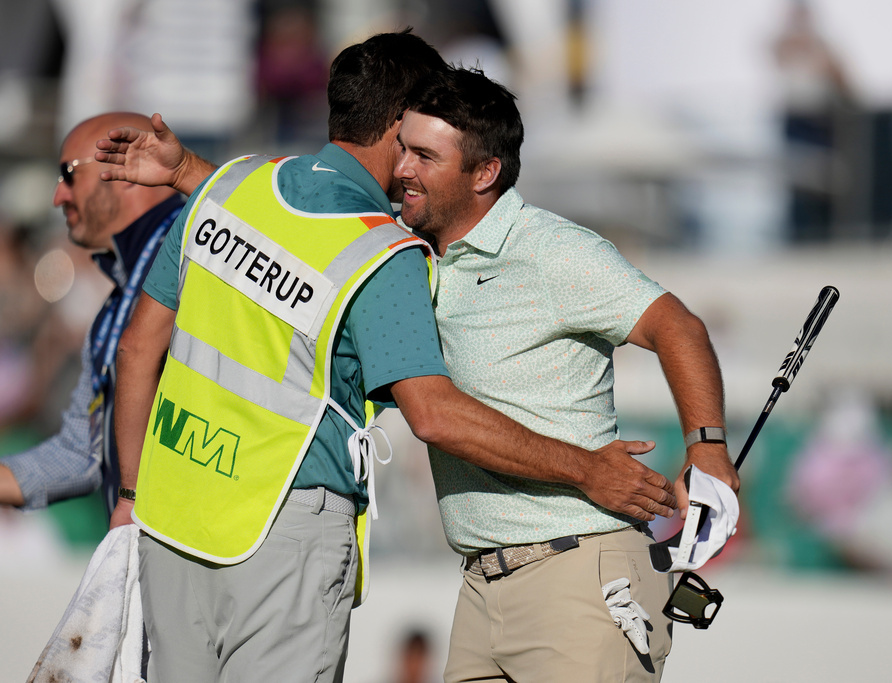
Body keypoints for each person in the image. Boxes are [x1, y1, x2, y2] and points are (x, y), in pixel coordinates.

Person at [103, 32, 675, 683]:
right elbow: (432, 413)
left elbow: (137, 345)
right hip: (283, 525)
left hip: (171, 513)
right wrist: (586, 470)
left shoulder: (227, 189)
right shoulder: (383, 253)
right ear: (399, 123)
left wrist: (129, 492)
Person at [392, 67, 739, 682]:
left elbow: (678, 327)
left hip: (582, 583)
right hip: (478, 592)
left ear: (484, 173)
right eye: (403, 150)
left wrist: (707, 449)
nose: (403, 170)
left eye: (424, 156)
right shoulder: (411, 252)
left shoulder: (552, 249)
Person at [0, 112, 183, 516]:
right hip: (149, 554)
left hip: (215, 551)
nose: (58, 197)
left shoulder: (199, 252)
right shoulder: (117, 299)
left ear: (126, 167)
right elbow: (78, 453)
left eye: (68, 175)